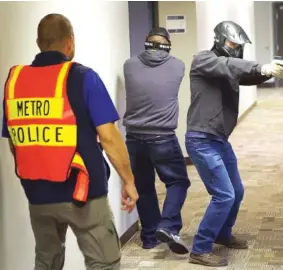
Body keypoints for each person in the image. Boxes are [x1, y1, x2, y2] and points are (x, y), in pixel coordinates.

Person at [1, 13, 139, 270]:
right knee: (104, 263)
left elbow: (15, 142)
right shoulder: (83, 77)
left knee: (46, 262)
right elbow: (109, 138)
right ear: (70, 41)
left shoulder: (16, 82)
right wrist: (129, 181)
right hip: (83, 194)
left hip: (37, 195)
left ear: (39, 42)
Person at [185, 21, 283, 267]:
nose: (235, 48)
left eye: (238, 45)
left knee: (237, 191)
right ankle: (200, 248)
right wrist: (262, 66)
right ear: (220, 40)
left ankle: (222, 233)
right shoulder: (204, 60)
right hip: (201, 139)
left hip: (219, 139)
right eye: (232, 43)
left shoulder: (228, 69)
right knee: (223, 195)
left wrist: (268, 73)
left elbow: (244, 75)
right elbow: (228, 65)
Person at [122, 27, 191, 254]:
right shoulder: (178, 65)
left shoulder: (129, 65)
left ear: (146, 43)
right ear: (168, 43)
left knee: (143, 186)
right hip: (162, 136)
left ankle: (150, 237)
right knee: (178, 182)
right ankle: (168, 226)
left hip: (133, 137)